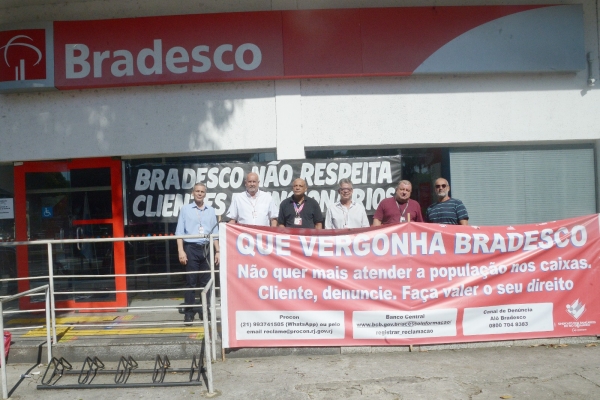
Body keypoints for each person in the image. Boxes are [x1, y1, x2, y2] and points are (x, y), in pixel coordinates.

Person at [175, 183, 220, 325]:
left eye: (202, 191)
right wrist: (181, 250)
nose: (200, 193)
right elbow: (179, 233)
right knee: (191, 281)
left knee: (206, 282)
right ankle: (189, 313)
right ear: (192, 193)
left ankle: (205, 311)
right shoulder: (185, 210)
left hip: (206, 248)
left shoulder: (211, 210)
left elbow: (215, 233)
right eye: (197, 191)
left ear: (205, 194)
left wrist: (217, 251)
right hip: (191, 248)